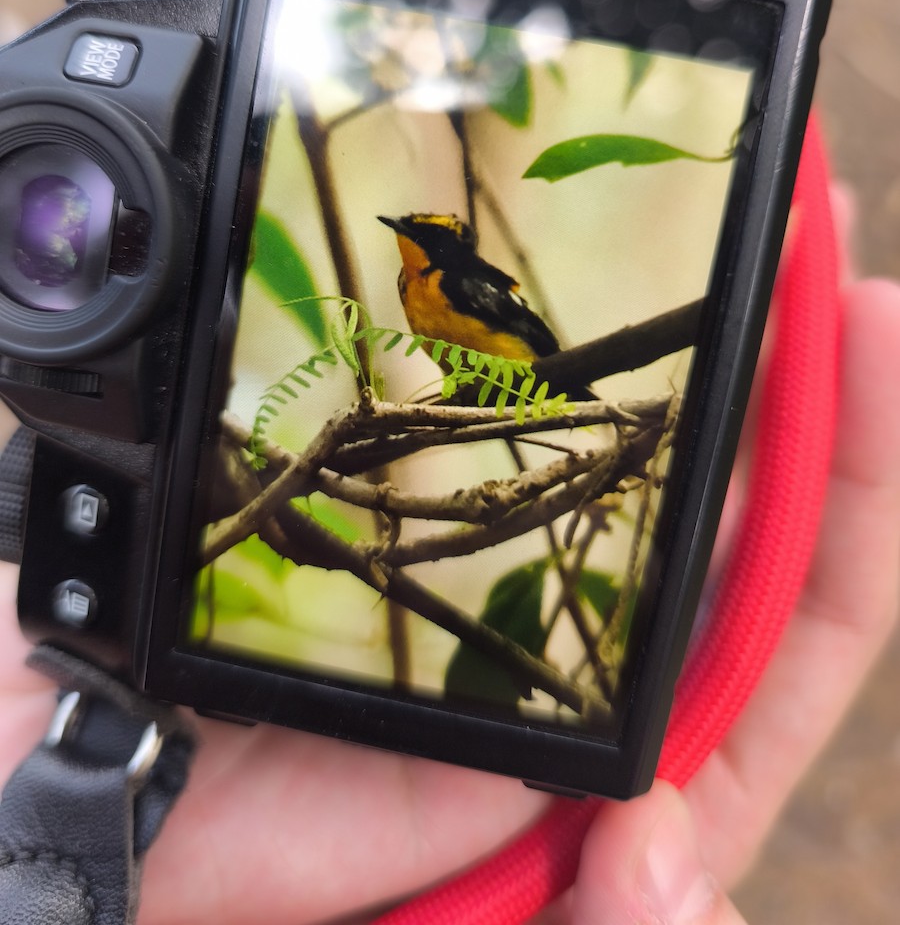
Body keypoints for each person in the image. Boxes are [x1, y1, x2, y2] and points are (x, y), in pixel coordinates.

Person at [0, 193, 897, 925]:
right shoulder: (412, 291)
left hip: (521, 367)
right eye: (409, 231)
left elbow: (517, 331)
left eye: (420, 233)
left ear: (440, 245)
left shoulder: (458, 281)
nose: (409, 239)